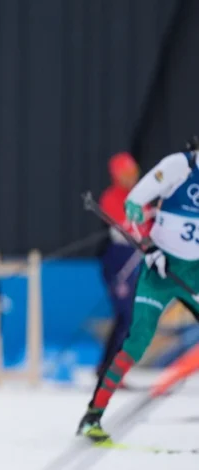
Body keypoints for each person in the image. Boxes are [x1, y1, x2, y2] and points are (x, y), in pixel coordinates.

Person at [77, 143, 199, 442]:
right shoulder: (180, 166)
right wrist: (149, 246)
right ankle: (93, 415)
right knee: (137, 340)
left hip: (194, 272)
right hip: (160, 270)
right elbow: (133, 205)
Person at [96, 152, 152, 381]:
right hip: (118, 259)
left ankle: (109, 369)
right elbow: (124, 227)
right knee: (126, 315)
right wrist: (145, 217)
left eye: (134, 172)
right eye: (127, 173)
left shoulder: (140, 197)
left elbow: (147, 230)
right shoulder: (111, 197)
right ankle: (108, 370)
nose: (132, 177)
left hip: (135, 258)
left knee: (128, 318)